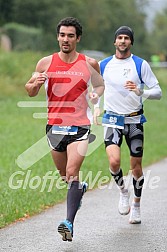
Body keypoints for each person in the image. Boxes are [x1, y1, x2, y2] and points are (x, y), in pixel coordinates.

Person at [25, 17, 104, 241]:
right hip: (55, 127)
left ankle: (68, 222)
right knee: (65, 178)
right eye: (62, 35)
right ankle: (79, 189)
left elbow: (99, 83)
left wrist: (95, 95)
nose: (65, 39)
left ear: (78, 38)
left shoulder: (89, 63)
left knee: (71, 172)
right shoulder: (45, 63)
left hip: (80, 125)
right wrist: (35, 83)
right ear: (58, 37)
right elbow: (30, 90)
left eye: (70, 35)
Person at [94, 26, 162, 224]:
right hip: (112, 120)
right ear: (114, 42)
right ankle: (123, 191)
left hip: (134, 120)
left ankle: (137, 205)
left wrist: (141, 91)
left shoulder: (140, 64)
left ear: (131, 42)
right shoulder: (104, 65)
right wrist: (96, 106)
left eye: (126, 38)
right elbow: (96, 88)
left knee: (136, 167)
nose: (123, 41)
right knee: (114, 162)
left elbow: (158, 91)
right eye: (119, 38)